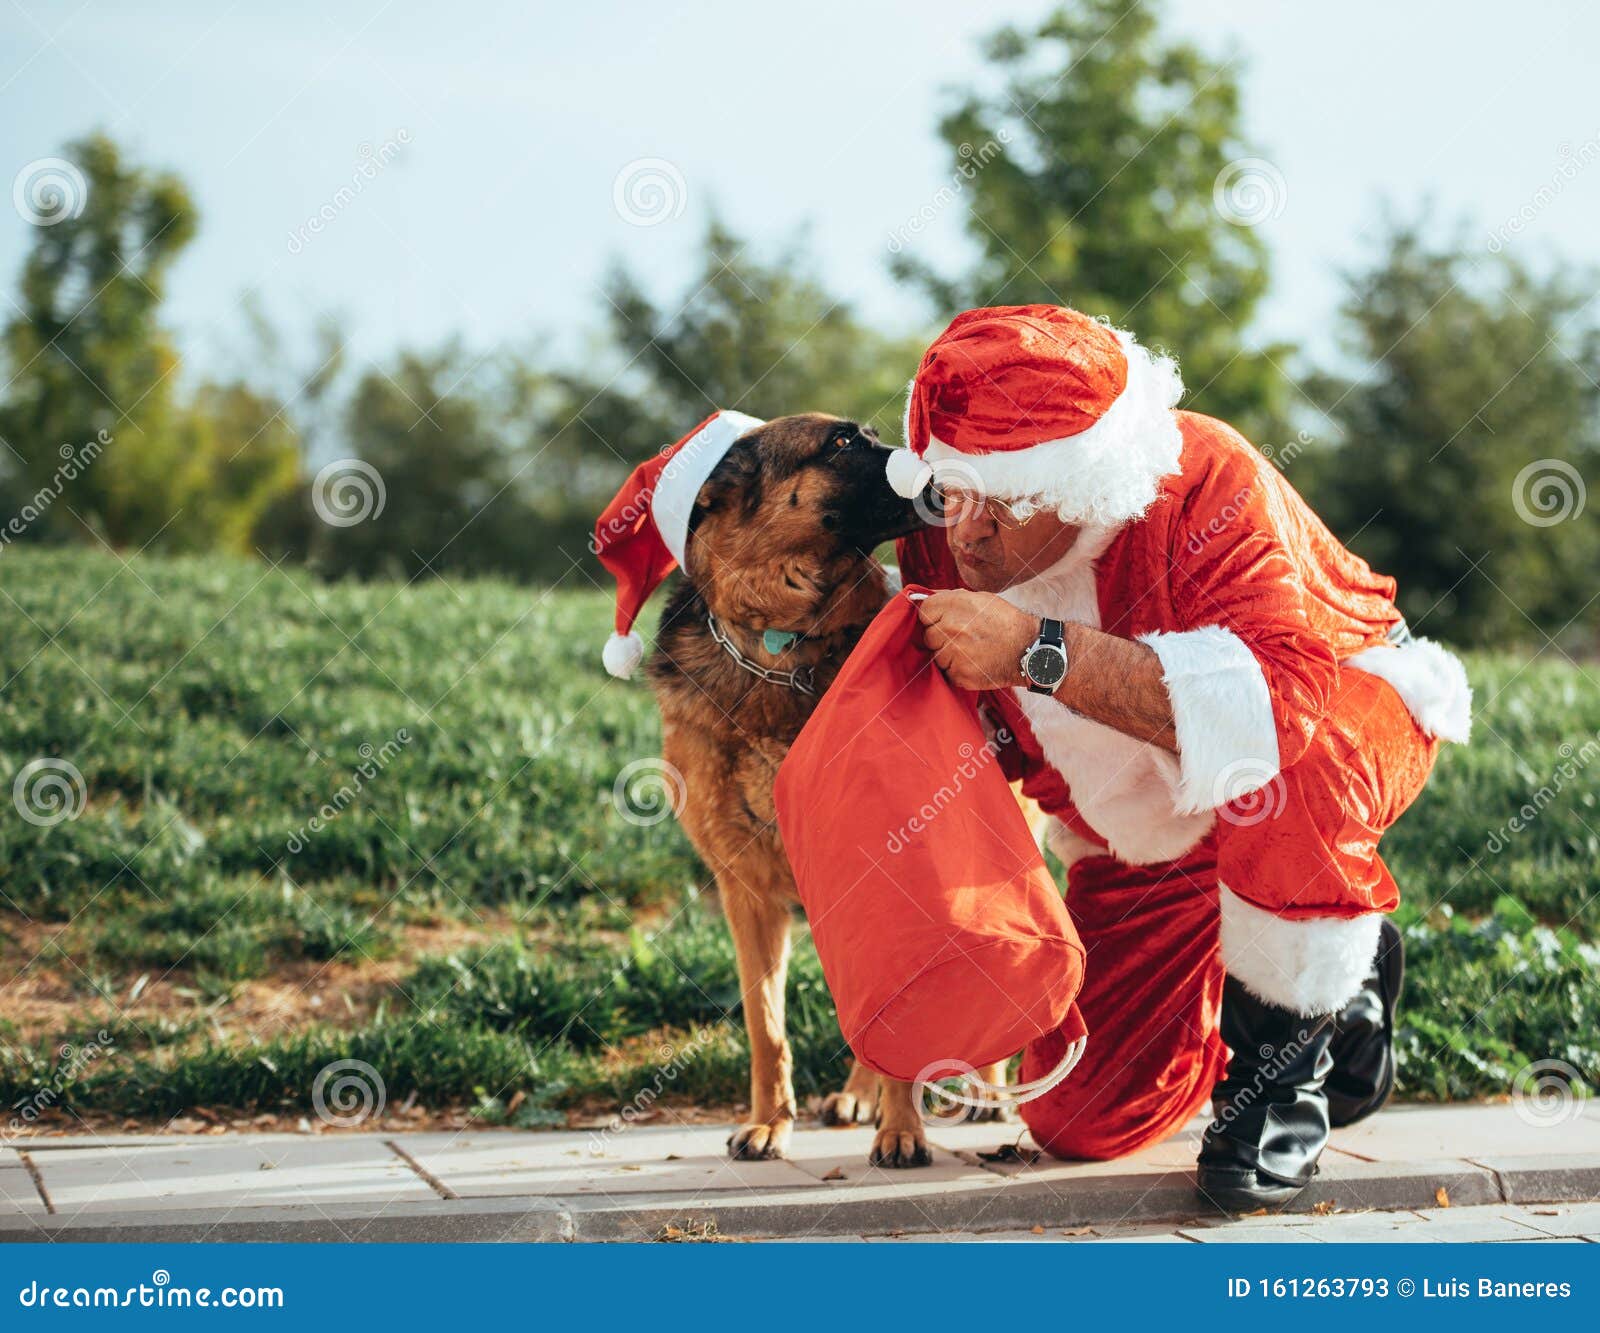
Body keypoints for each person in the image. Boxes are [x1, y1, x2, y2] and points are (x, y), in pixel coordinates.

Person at [888, 304, 1471, 1210]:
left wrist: (1039, 649)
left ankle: (1280, 1081)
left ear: (1082, 481)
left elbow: (1279, 708)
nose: (965, 536)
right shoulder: (942, 532)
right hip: (1140, 819)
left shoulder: (1204, 474)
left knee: (1293, 778)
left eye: (1002, 500)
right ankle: (1339, 985)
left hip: (1329, 721)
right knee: (1079, 1117)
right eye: (950, 493)